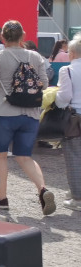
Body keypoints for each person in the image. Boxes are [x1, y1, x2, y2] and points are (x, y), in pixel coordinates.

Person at [0, 20, 55, 214]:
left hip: (3, 113)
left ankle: (2, 198)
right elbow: (45, 84)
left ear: (3, 37)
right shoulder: (36, 56)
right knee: (24, 156)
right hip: (30, 113)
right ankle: (42, 189)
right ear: (23, 36)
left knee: (0, 156)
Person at [54, 37, 81, 210]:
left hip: (74, 118)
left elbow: (64, 97)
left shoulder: (68, 70)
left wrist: (55, 100)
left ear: (71, 53)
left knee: (74, 157)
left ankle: (77, 199)